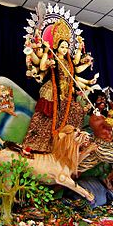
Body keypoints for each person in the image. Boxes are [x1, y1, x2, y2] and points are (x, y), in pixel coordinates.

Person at [22, 19, 96, 153]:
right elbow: (43, 66)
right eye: (62, 46)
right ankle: (34, 145)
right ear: (56, 46)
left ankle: (67, 146)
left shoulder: (69, 62)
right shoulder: (51, 56)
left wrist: (81, 52)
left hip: (66, 94)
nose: (65, 49)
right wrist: (47, 59)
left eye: (67, 47)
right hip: (52, 92)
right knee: (46, 118)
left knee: (77, 110)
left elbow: (77, 71)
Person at [79, 90, 113, 191]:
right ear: (94, 103)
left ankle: (66, 182)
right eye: (100, 100)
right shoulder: (95, 118)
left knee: (79, 170)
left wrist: (112, 105)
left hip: (106, 146)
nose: (103, 101)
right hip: (103, 148)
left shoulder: (102, 117)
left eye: (104, 100)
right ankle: (108, 179)